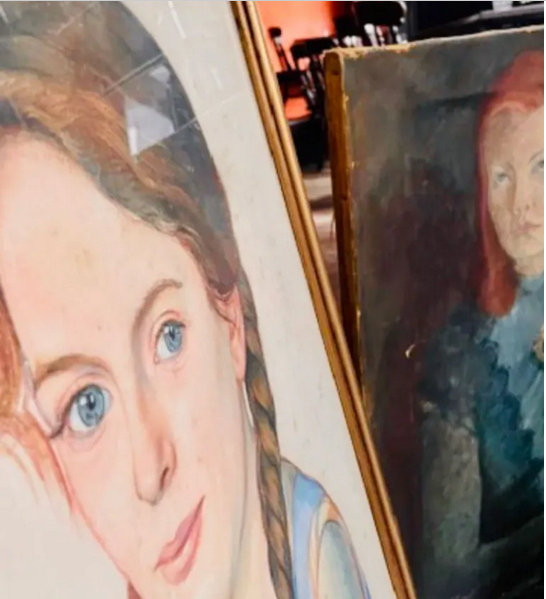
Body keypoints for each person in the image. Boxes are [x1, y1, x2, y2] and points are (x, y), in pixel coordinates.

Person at [0, 14, 370, 599]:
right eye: (86, 407)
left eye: (168, 337)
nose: (151, 469)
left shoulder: (318, 564)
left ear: (229, 314)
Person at [420, 51, 544, 598]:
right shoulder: (461, 353)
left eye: (542, 166)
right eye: (502, 176)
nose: (523, 203)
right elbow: (448, 578)